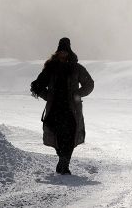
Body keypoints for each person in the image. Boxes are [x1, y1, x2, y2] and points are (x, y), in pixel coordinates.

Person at [30, 37, 94, 175]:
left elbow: (89, 84)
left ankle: (64, 163)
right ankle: (62, 160)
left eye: (65, 51)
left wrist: (78, 94)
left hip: (71, 110)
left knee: (70, 136)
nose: (63, 54)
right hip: (55, 109)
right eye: (61, 51)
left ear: (69, 52)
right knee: (58, 136)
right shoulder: (51, 68)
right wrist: (48, 96)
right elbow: (38, 85)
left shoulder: (76, 68)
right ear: (58, 52)